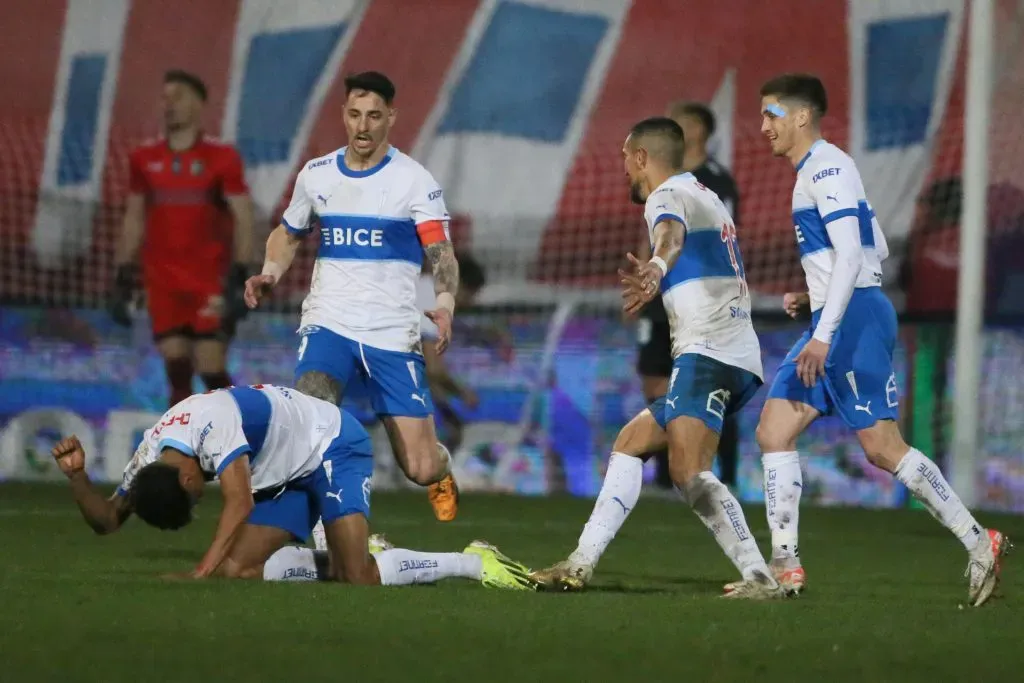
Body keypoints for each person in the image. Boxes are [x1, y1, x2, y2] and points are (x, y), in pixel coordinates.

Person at [753, 73, 1009, 606]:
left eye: (771, 116)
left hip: (850, 323)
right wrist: (815, 293)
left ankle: (977, 539)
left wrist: (825, 327)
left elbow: (853, 257)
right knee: (774, 429)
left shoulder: (825, 166)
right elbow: (876, 251)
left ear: (802, 116)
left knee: (882, 448)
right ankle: (785, 569)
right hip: (839, 314)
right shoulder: (823, 170)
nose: (763, 128)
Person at [530, 118, 781, 599]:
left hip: (708, 351)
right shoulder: (702, 192)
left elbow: (669, 235)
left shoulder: (665, 195)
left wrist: (656, 267)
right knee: (629, 443)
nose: (624, 169)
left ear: (642, 157)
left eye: (626, 158)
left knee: (688, 472)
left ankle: (760, 577)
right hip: (729, 350)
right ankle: (579, 563)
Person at [49, 384, 536, 590]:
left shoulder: (212, 422)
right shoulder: (149, 454)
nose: (203, 496)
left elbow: (239, 501)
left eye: (196, 497)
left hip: (332, 446)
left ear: (187, 477)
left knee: (359, 580)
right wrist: (76, 476)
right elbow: (108, 520)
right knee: (238, 570)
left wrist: (198, 572)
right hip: (285, 477)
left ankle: (473, 562)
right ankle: (355, 549)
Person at [243, 71, 460, 527]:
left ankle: (442, 471)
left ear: (390, 119)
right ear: (344, 115)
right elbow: (288, 234)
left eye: (374, 116)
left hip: (390, 334)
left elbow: (441, 253)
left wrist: (445, 303)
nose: (363, 126)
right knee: (309, 428)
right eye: (355, 115)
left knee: (419, 467)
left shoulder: (413, 181)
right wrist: (270, 272)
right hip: (328, 325)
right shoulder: (316, 174)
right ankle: (321, 534)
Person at [111, 69, 255, 407]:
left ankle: (243, 432)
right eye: (165, 97)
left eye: (177, 97)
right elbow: (134, 217)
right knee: (175, 363)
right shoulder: (144, 159)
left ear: (197, 104)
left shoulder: (222, 158)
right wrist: (122, 273)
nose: (168, 104)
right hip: (162, 281)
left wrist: (242, 274)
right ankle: (184, 447)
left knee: (210, 366)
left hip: (209, 280)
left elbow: (244, 217)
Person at [635, 101, 741, 490]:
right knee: (656, 386)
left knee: (707, 390)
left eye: (679, 122)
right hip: (660, 298)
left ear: (697, 131)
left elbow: (717, 240)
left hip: (698, 298)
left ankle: (718, 476)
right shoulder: (663, 182)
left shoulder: (715, 181)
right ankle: (668, 479)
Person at [415, 251, 486, 453]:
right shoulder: (432, 299)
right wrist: (463, 393)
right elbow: (434, 370)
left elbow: (424, 373)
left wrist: (447, 411)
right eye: (469, 295)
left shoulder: (420, 286)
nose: (468, 304)